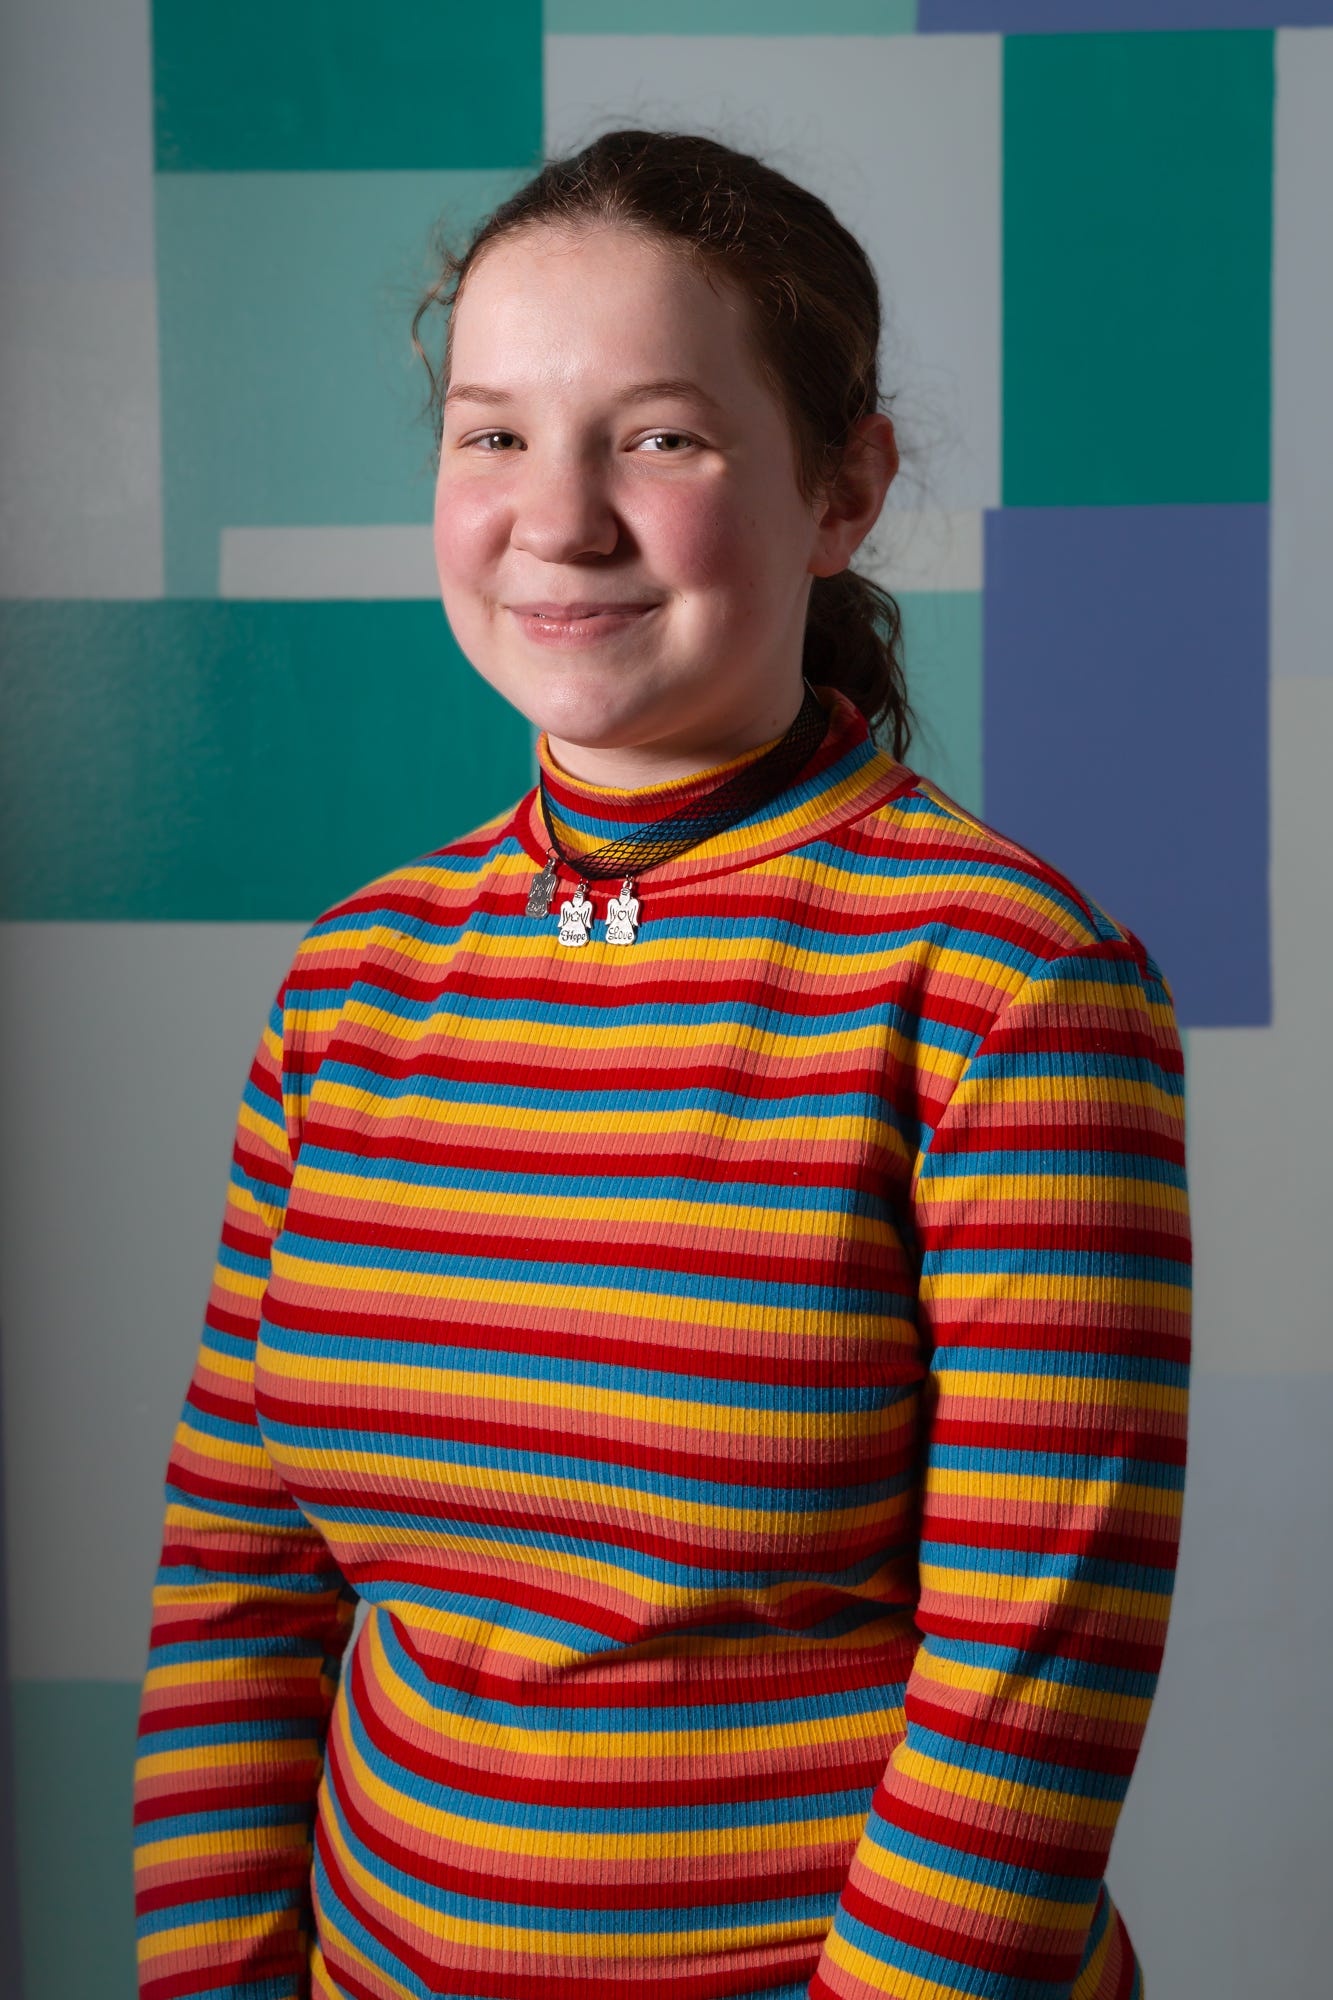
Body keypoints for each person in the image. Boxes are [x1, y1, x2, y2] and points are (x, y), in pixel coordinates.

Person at [131, 128, 1192, 2000]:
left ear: (843, 487)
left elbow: (1034, 1688)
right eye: (492, 434)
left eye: (660, 436)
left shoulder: (1006, 982)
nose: (558, 518)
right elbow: (243, 1579)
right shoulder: (351, 984)